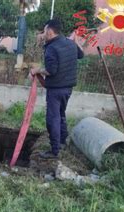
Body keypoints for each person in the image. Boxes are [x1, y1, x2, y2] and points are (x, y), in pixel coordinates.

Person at [31, 19, 84, 159]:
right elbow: (81, 55)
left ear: (49, 31)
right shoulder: (71, 44)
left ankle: (54, 150)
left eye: (44, 31)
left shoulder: (51, 48)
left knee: (52, 119)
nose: (43, 34)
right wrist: (76, 40)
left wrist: (37, 70)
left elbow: (51, 70)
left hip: (55, 90)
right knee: (61, 114)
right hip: (68, 89)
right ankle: (62, 141)